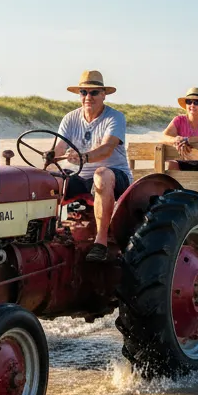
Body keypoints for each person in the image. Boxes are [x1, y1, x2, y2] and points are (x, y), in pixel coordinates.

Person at [54, 70, 133, 263]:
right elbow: (58, 148)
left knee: (101, 174)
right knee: (50, 179)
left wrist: (83, 157)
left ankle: (101, 242)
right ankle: (50, 232)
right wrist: (50, 157)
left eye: (94, 92)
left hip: (114, 176)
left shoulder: (115, 118)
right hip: (79, 175)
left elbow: (106, 149)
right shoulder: (70, 118)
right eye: (84, 92)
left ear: (103, 94)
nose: (88, 97)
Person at [163, 87, 198, 171]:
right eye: (189, 102)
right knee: (172, 163)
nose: (192, 105)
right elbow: (165, 136)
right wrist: (177, 140)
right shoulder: (178, 120)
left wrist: (187, 140)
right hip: (182, 159)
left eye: (197, 102)